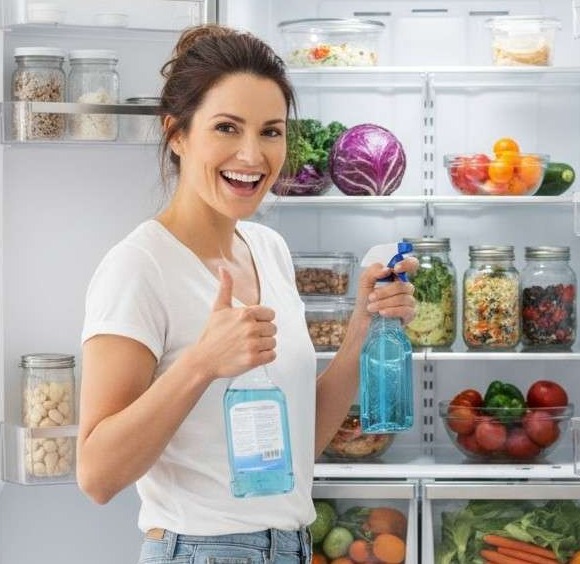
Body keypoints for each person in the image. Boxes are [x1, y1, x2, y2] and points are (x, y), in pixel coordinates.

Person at [76, 24, 418, 564]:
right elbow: (97, 474)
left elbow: (298, 444)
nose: (252, 155)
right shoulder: (138, 267)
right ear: (177, 134)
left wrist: (362, 327)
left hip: (290, 546)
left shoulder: (269, 248)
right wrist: (200, 365)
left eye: (271, 131)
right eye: (227, 128)